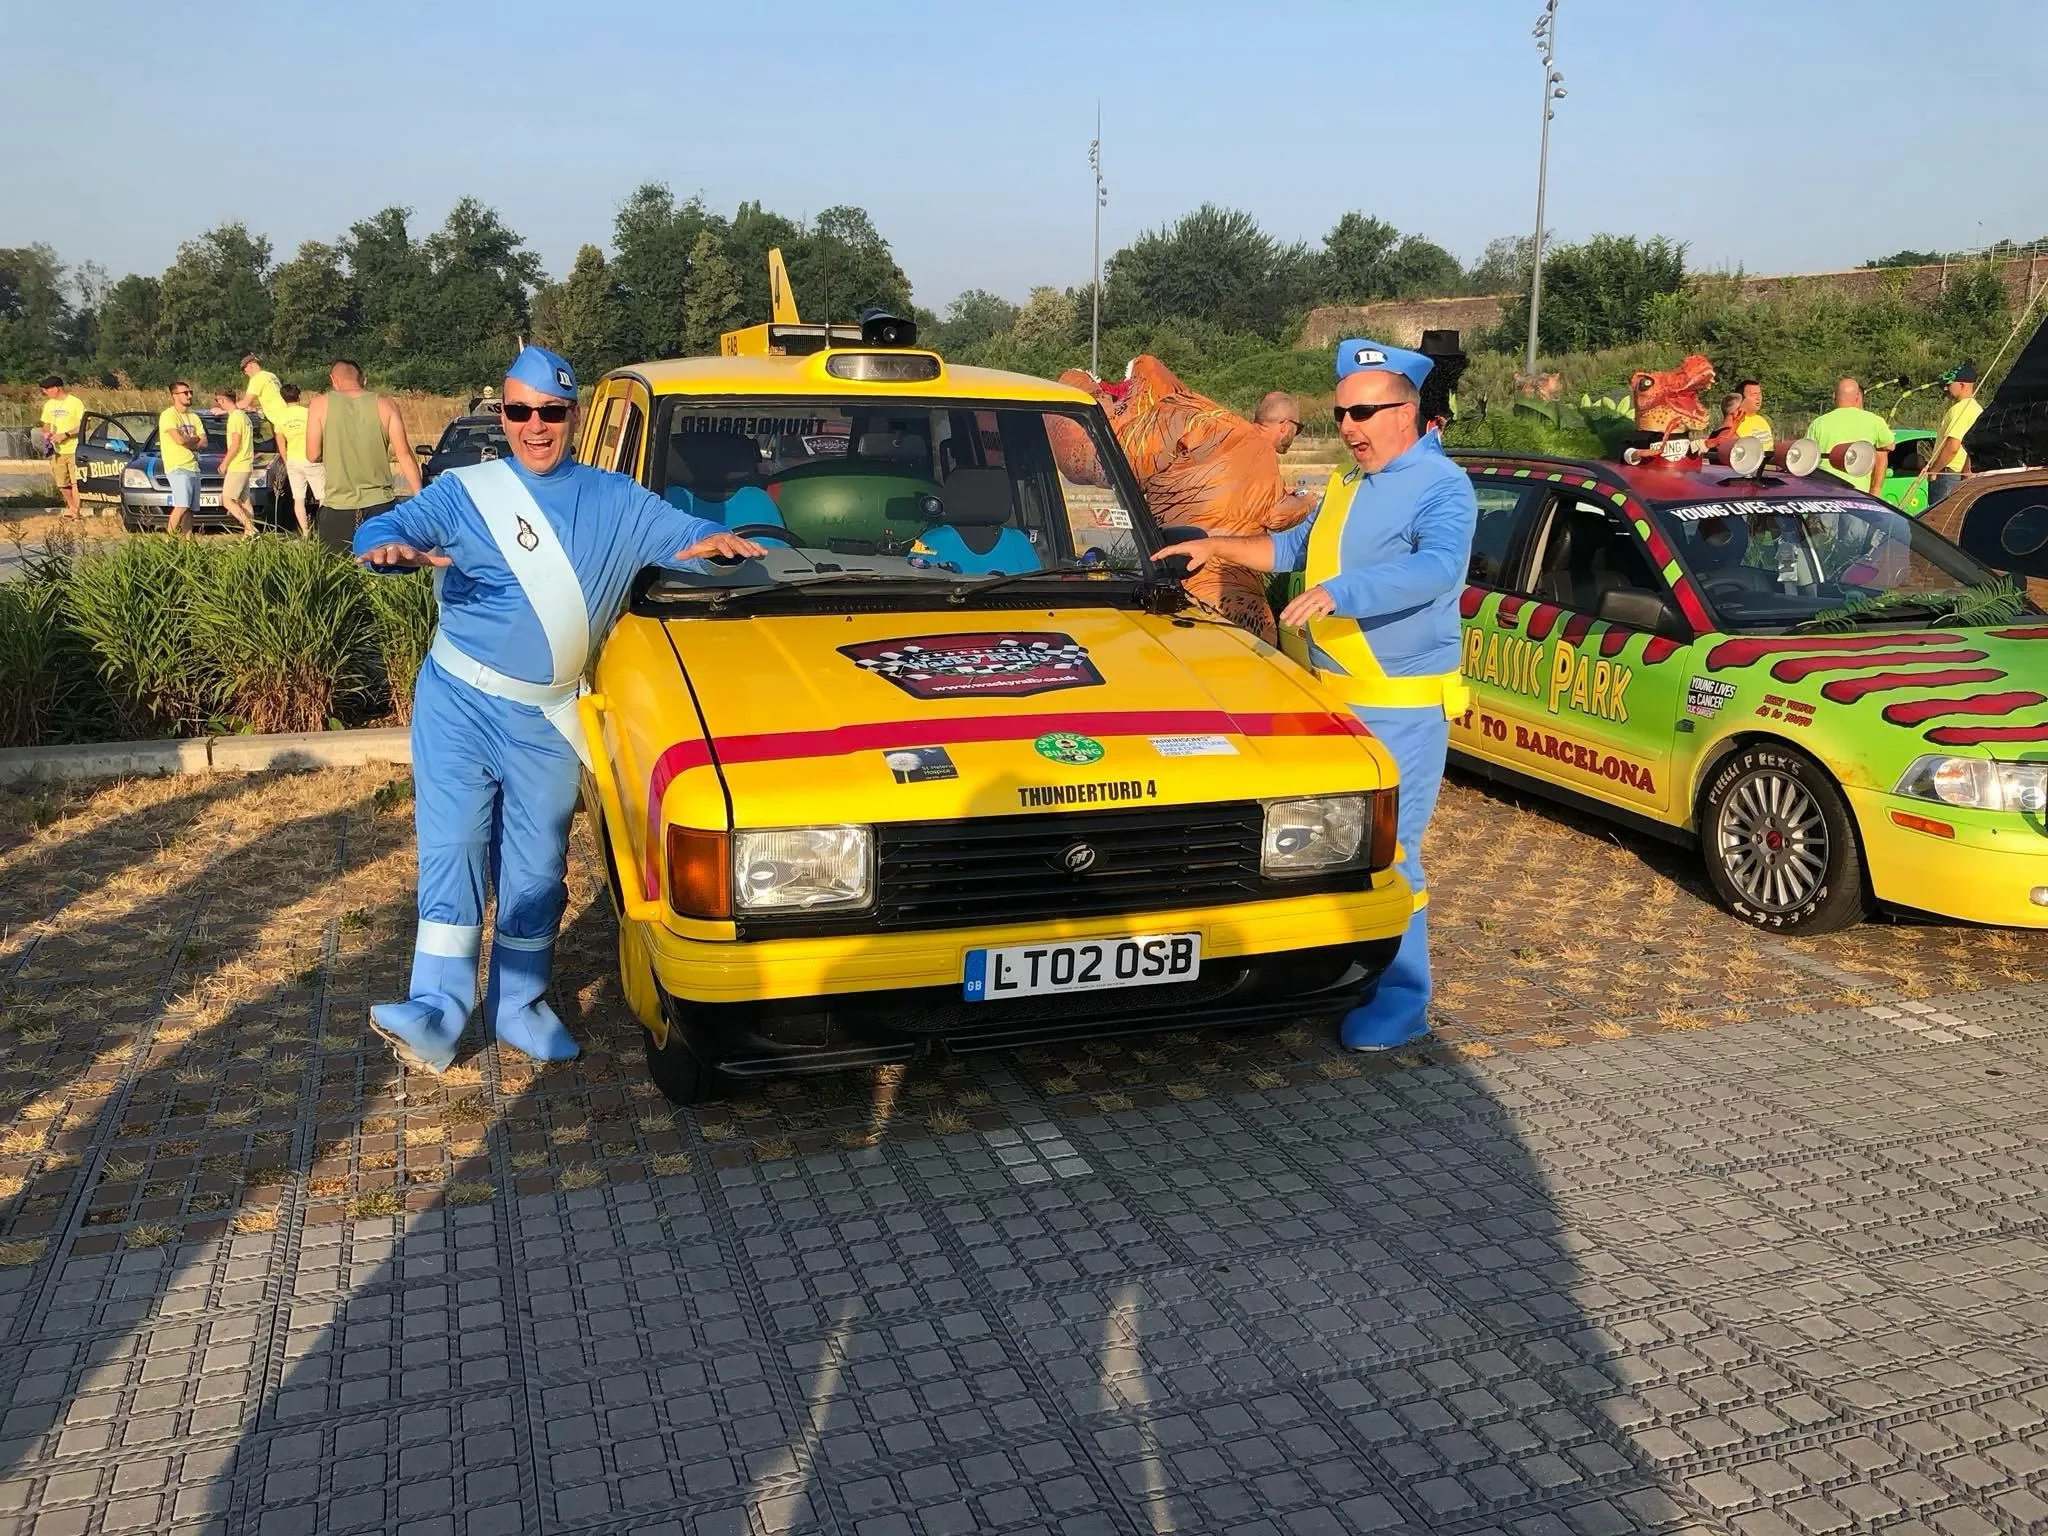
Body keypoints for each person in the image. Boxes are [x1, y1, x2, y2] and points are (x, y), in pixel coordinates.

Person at [353, 346, 763, 1074]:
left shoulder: (616, 499)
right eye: (519, 411)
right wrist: (388, 546)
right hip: (457, 705)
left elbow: (683, 537)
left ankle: (520, 1004)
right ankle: (436, 1011)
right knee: (452, 848)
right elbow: (387, 527)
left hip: (544, 719)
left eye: (551, 412)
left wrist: (717, 544)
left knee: (538, 867)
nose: (534, 426)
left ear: (573, 416)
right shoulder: (466, 491)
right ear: (502, 414)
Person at [1161, 338, 1477, 1051]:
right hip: (1325, 702)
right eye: (1340, 414)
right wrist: (1216, 545)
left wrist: (1344, 592)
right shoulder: (1346, 483)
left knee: (1391, 855)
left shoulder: (1441, 484)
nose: (1348, 427)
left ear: (1407, 410)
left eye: (1364, 412)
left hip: (1399, 709)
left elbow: (1438, 568)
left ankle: (1404, 998)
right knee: (1307, 843)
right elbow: (1290, 550)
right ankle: (1313, 973)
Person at [307, 358, 422, 550]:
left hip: (338, 506)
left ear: (333, 380)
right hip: (381, 505)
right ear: (363, 379)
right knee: (383, 566)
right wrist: (419, 496)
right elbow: (404, 455)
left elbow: (312, 455)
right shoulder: (387, 405)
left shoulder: (319, 405)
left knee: (338, 568)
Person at [1807, 378, 1894, 495]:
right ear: (1858, 396)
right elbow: (1889, 446)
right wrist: (1875, 490)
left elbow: (1807, 457)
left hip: (1824, 492)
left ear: (1834, 396)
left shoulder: (1818, 423)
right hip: (1858, 494)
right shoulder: (1875, 421)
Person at [1923, 362, 1982, 505]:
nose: (1945, 388)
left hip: (1948, 473)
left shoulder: (1960, 409)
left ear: (1962, 385)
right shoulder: (1977, 409)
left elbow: (1952, 446)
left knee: (1937, 516)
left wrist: (1934, 471)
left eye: (1949, 384)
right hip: (1961, 474)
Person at [158, 381, 208, 536]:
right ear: (175, 395)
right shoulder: (168, 415)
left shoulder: (194, 417)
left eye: (190, 392)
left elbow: (204, 442)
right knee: (182, 505)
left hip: (194, 466)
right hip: (177, 466)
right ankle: (169, 539)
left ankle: (187, 542)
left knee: (190, 510)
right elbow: (179, 440)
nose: (189, 395)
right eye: (185, 393)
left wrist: (189, 440)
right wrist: (194, 439)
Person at [274, 383, 323, 537]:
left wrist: (287, 460)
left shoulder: (280, 417)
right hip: (311, 459)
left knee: (299, 499)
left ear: (283, 398)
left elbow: (281, 443)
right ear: (299, 396)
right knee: (322, 497)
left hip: (293, 461)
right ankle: (323, 529)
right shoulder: (307, 413)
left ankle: (305, 532)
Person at [211, 388, 260, 535]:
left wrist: (224, 463)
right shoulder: (243, 416)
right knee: (244, 501)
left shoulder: (235, 417)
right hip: (246, 464)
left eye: (218, 400)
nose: (218, 403)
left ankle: (251, 529)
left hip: (238, 464)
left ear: (223, 400)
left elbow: (235, 443)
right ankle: (248, 535)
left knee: (227, 500)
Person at [37, 376, 86, 519]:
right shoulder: (48, 405)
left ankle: (76, 512)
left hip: (75, 449)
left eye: (47, 389)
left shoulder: (75, 403)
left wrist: (66, 434)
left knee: (76, 482)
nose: (45, 392)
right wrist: (46, 433)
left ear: (56, 388)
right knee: (62, 483)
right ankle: (72, 507)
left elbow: (84, 425)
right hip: (57, 451)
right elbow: (46, 424)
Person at [238, 353, 288, 431]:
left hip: (277, 416)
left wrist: (225, 408)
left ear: (251, 365)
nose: (245, 373)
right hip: (286, 411)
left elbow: (245, 403)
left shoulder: (257, 378)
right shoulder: (271, 375)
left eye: (244, 370)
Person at [1252, 391, 1304, 455]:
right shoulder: (1263, 455)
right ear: (1285, 427)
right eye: (1297, 429)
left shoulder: (1242, 437)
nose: (1295, 435)